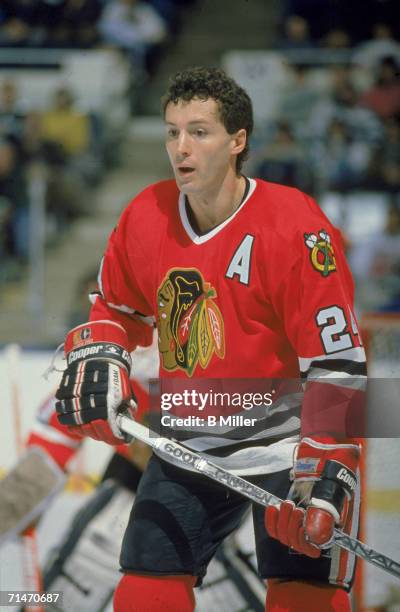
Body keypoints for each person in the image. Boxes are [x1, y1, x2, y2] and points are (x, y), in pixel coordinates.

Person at [53, 67, 366, 611]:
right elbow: (115, 308)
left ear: (238, 140)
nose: (181, 147)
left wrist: (326, 466)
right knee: (144, 595)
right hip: (187, 444)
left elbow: (339, 360)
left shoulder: (296, 225)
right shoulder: (145, 215)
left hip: (287, 450)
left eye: (199, 132)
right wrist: (102, 353)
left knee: (305, 602)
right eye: (172, 131)